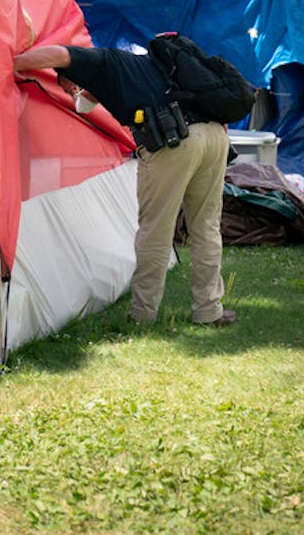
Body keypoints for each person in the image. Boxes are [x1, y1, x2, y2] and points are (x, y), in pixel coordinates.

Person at [13, 40, 236, 327]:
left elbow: (59, 53)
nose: (73, 95)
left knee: (155, 230)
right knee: (206, 227)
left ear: (77, 75)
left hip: (174, 140)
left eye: (71, 88)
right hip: (215, 136)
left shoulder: (98, 61)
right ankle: (209, 311)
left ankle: (142, 315)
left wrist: (8, 62)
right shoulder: (140, 67)